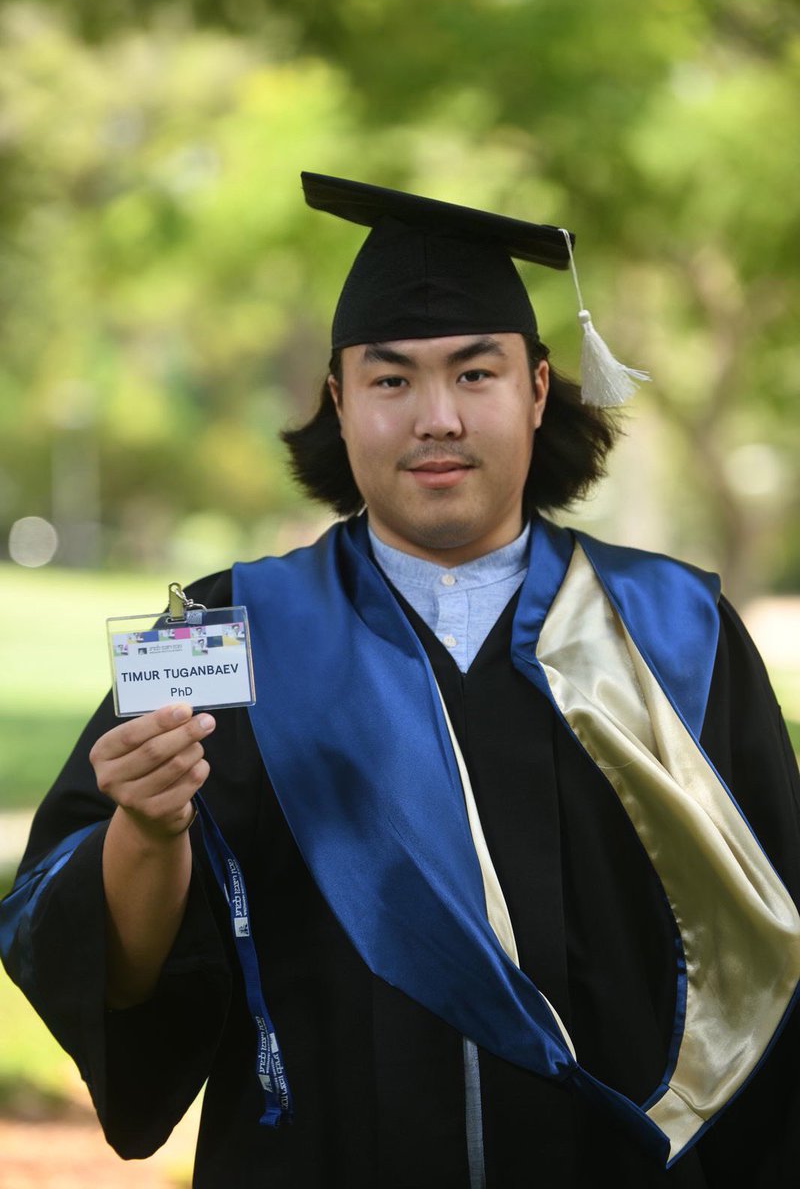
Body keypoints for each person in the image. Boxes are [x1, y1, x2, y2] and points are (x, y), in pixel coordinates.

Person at [2, 173, 800, 1189]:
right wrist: (147, 830)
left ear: (538, 389)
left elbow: (773, 948)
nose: (435, 418)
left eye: (475, 376)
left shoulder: (674, 633)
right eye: (389, 382)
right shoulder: (225, 634)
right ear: (337, 402)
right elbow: (118, 976)